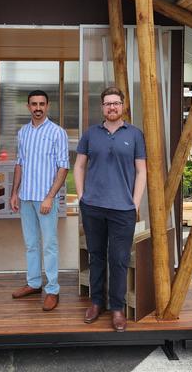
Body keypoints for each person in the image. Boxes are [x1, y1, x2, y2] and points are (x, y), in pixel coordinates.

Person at [73, 86, 147, 332]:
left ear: (123, 106)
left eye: (116, 103)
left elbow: (141, 171)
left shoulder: (135, 135)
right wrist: (83, 196)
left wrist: (135, 204)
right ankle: (96, 302)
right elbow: (79, 167)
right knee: (96, 256)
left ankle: (117, 307)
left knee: (119, 260)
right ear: (102, 107)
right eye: (107, 103)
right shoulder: (90, 134)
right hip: (93, 207)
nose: (112, 107)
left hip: (122, 210)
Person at [10, 90, 69, 311]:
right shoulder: (23, 132)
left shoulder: (57, 133)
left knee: (50, 245)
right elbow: (20, 163)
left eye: (41, 104)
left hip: (46, 200)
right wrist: (15, 192)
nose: (38, 107)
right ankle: (34, 283)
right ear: (28, 106)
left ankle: (52, 289)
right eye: (33, 104)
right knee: (31, 244)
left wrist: (50, 197)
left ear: (48, 106)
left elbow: (63, 167)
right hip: (26, 197)